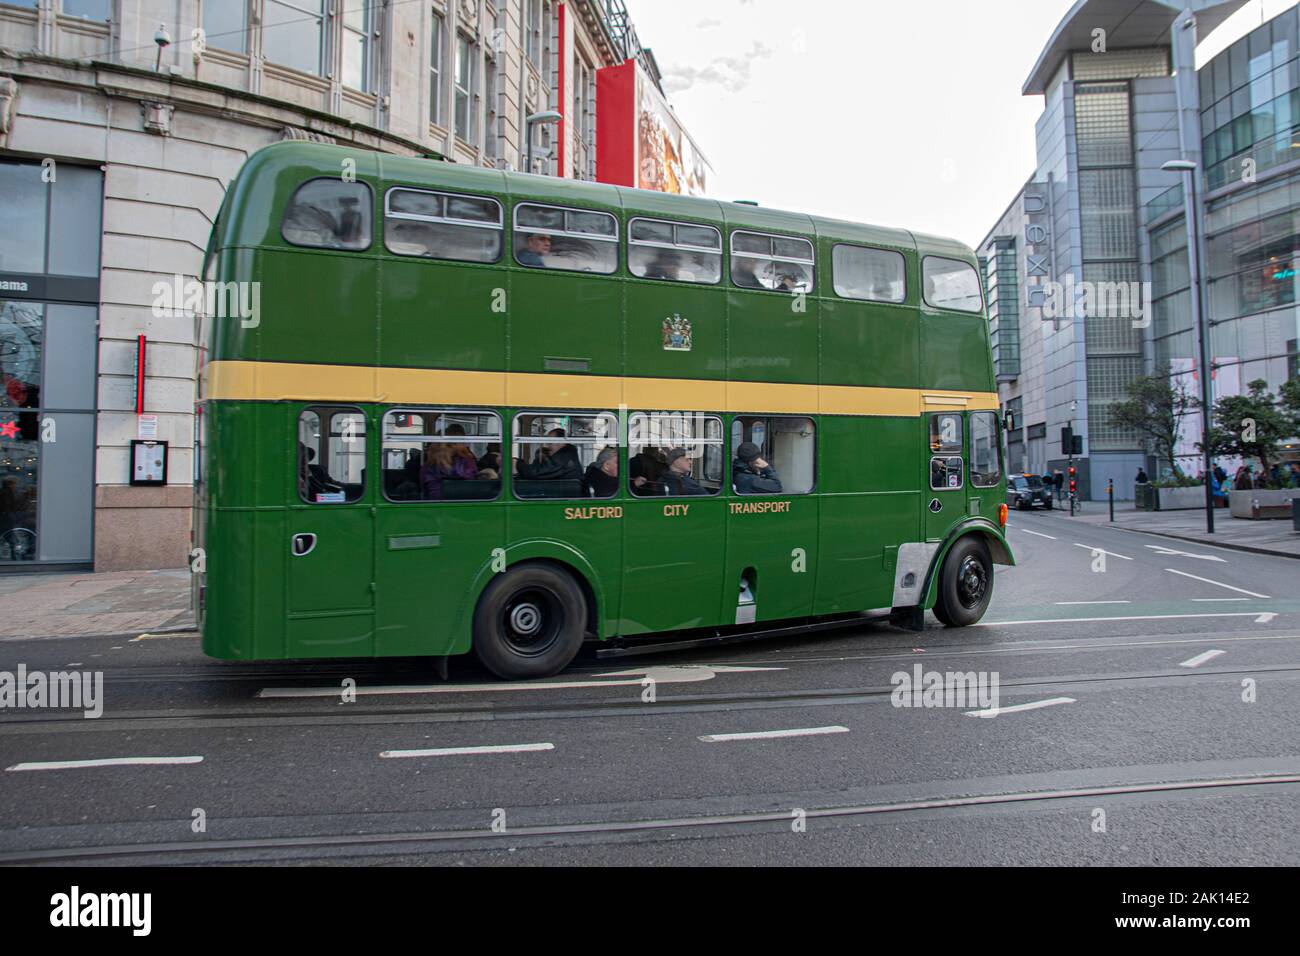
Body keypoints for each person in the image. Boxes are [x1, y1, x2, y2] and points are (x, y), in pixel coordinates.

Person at [421, 424, 478, 499]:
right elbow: (471, 479)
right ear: (454, 444)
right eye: (462, 441)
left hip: (433, 503)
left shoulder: (427, 465)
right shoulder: (465, 462)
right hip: (462, 503)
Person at [516, 428, 582, 481]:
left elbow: (535, 473)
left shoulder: (563, 458)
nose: (547, 446)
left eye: (550, 443)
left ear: (562, 443)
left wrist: (517, 464)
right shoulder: (560, 457)